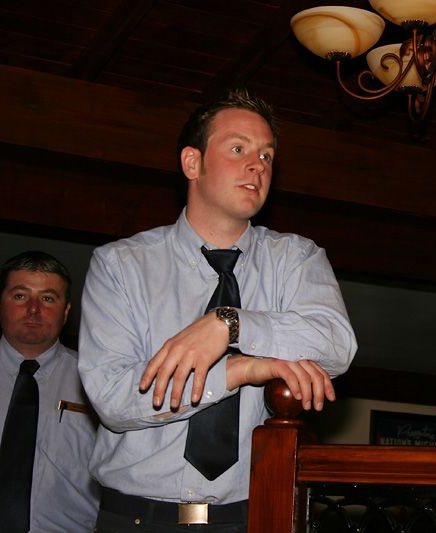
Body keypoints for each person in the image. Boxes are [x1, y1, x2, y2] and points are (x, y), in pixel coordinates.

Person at [78, 88, 357, 531]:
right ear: (193, 163)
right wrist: (240, 370)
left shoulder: (296, 259)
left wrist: (229, 324)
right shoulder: (120, 265)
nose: (257, 165)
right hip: (136, 519)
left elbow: (337, 345)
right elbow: (113, 397)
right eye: (238, 149)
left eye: (266, 155)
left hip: (251, 517)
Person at [0, 251, 100, 532]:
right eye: (20, 296)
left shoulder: (98, 381)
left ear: (66, 312)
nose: (33, 309)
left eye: (48, 298)